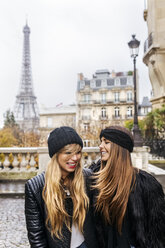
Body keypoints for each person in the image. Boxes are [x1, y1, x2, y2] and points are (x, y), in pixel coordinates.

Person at [91, 125, 165, 248]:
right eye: (101, 141)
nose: (100, 146)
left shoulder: (146, 184)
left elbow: (157, 230)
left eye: (106, 142)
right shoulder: (95, 179)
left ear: (120, 148)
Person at [25, 126, 99, 248]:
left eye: (78, 152)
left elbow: (98, 222)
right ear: (55, 155)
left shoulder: (88, 177)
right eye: (68, 152)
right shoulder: (35, 186)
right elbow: (36, 235)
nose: (75, 158)